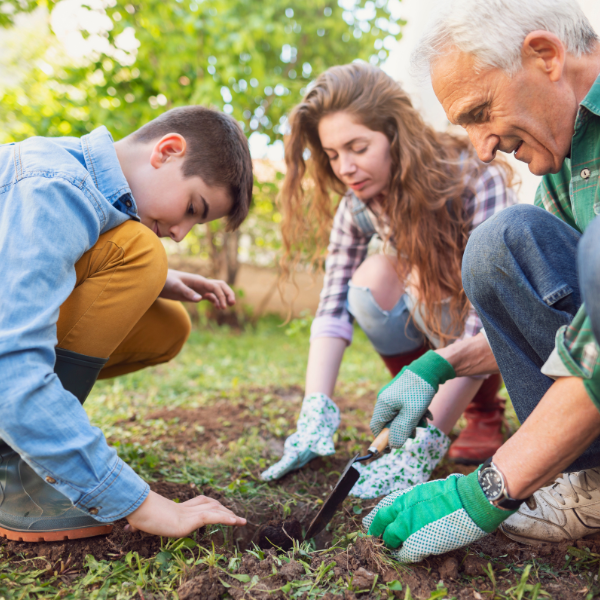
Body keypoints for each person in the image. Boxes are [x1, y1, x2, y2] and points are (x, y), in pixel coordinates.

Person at [362, 0, 600, 563]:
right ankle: (592, 485)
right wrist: (441, 364)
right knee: (501, 244)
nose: (482, 146)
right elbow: (573, 319)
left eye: (479, 112)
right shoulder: (570, 158)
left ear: (544, 55)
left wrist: (490, 486)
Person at [260, 63, 516, 498]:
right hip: (435, 317)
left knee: (431, 285)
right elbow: (333, 304)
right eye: (333, 154)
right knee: (370, 283)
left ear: (395, 135)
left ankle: (480, 413)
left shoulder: (474, 177)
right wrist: (315, 407)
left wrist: (423, 446)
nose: (344, 167)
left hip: (480, 326)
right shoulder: (358, 204)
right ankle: (412, 410)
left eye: (357, 147)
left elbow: (489, 315)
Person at [0, 106, 252, 542]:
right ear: (168, 151)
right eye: (193, 207)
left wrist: (161, 280)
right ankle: (12, 470)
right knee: (141, 252)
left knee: (168, 323)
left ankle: (32, 445)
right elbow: (9, 368)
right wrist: (140, 503)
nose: (181, 234)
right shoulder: (53, 188)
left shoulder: (76, 180)